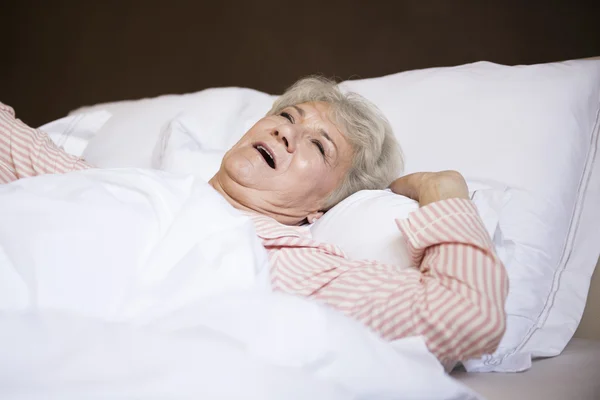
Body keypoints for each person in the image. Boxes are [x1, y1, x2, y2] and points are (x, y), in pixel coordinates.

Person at [0, 76, 508, 370]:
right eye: (288, 119)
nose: (288, 134)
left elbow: (465, 315)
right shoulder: (115, 183)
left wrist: (444, 194)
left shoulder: (295, 265)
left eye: (317, 144)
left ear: (326, 203)